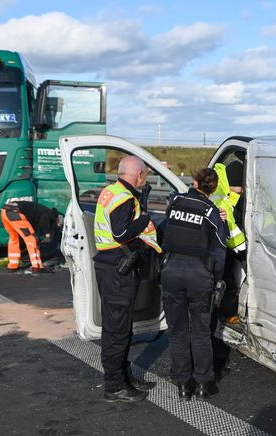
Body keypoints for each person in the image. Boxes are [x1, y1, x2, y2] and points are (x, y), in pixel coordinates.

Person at [93, 156, 160, 402]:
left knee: (121, 328)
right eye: (145, 175)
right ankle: (114, 386)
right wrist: (144, 219)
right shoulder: (125, 199)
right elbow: (120, 233)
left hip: (110, 267)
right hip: (117, 271)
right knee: (117, 331)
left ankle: (123, 377)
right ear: (139, 174)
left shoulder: (111, 191)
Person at [160, 167, 228, 401]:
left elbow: (164, 230)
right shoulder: (211, 212)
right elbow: (220, 250)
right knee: (200, 332)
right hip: (199, 276)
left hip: (171, 272)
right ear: (213, 188)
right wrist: (217, 279)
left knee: (177, 331)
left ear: (195, 182)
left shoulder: (176, 201)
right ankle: (201, 384)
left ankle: (181, 384)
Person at [209, 161, 246, 321]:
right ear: (233, 183)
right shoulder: (222, 200)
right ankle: (228, 313)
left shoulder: (221, 191)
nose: (243, 190)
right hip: (221, 248)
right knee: (227, 280)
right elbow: (231, 232)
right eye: (241, 187)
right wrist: (245, 249)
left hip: (219, 246)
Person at [0, 200, 62, 274]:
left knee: (14, 238)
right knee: (31, 239)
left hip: (5, 211)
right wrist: (47, 234)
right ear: (57, 218)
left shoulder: (40, 209)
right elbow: (44, 221)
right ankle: (37, 267)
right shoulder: (49, 213)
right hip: (15, 212)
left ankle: (13, 266)